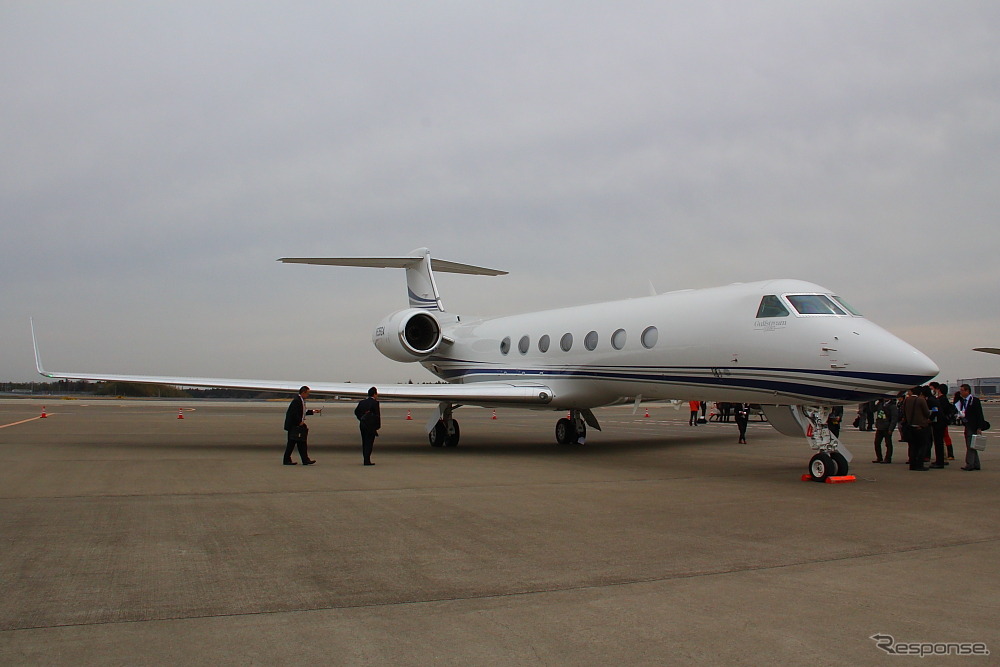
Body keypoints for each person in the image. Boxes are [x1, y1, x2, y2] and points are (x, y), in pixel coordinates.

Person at [283, 385, 319, 465]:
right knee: (292, 444)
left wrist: (313, 411)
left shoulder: (300, 400)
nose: (308, 395)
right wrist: (299, 422)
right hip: (294, 426)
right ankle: (287, 460)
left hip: (296, 425)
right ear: (303, 392)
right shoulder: (297, 401)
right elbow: (294, 413)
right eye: (307, 393)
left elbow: (303, 411)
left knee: (301, 443)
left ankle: (305, 459)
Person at [957, 384, 987, 471]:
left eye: (962, 390)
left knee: (970, 445)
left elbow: (979, 414)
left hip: (973, 426)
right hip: (967, 424)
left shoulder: (974, 400)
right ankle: (976, 464)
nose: (961, 392)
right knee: (972, 445)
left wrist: (979, 427)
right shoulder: (962, 401)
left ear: (967, 391)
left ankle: (969, 464)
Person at [901, 386, 931, 471]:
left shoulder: (907, 400)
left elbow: (903, 412)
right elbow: (927, 413)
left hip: (910, 426)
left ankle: (912, 464)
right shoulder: (921, 400)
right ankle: (919, 464)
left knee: (912, 446)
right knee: (922, 446)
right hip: (920, 426)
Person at [355, 387, 381, 466]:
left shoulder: (362, 402)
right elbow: (377, 415)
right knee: (369, 443)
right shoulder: (375, 403)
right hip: (370, 426)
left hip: (363, 425)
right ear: (374, 394)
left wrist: (361, 419)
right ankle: (367, 460)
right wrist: (377, 426)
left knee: (364, 442)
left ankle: (365, 459)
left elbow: (356, 412)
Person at [872, 396, 898, 464]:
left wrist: (891, 428)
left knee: (888, 444)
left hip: (887, 427)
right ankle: (879, 457)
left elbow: (894, 418)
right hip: (880, 426)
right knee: (877, 443)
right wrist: (872, 401)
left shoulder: (892, 406)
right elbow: (872, 409)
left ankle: (888, 458)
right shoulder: (880, 404)